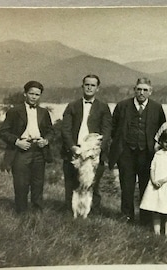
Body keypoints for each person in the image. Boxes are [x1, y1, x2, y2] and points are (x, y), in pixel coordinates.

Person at [109, 77, 166, 224]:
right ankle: (127, 217)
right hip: (126, 154)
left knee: (146, 187)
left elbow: (162, 129)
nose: (141, 92)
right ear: (134, 90)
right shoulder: (122, 106)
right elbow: (113, 128)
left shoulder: (157, 108)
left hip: (147, 154)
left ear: (150, 92)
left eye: (145, 90)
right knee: (127, 187)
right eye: (139, 89)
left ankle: (145, 220)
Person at [0, 80, 54, 214]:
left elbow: (51, 131)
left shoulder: (43, 112)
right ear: (25, 94)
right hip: (21, 151)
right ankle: (21, 214)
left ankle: (37, 213)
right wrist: (17, 142)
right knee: (21, 184)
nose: (34, 97)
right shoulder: (14, 111)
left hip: (39, 151)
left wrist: (45, 140)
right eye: (31, 93)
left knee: (37, 184)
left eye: (37, 94)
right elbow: (3, 131)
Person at [61, 74, 112, 214]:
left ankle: (93, 213)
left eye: (93, 85)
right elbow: (65, 129)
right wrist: (72, 147)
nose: (89, 87)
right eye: (87, 85)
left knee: (92, 185)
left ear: (98, 89)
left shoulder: (103, 107)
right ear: (82, 86)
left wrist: (98, 149)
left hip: (94, 154)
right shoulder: (72, 106)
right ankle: (70, 212)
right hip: (74, 151)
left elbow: (107, 130)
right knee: (71, 183)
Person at [140, 128, 167, 237]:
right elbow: (152, 168)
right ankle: (157, 233)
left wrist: (164, 180)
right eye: (165, 142)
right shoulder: (158, 153)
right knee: (156, 209)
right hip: (156, 185)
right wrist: (154, 180)